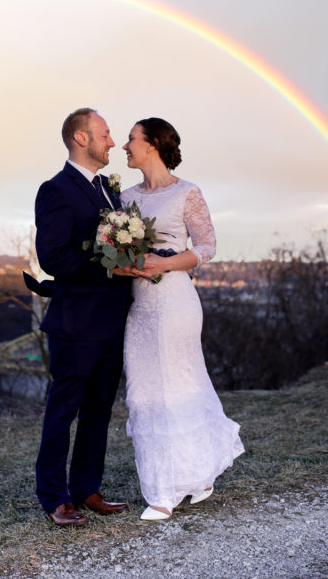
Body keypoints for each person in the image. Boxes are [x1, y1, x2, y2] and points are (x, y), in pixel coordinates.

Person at [119, 117, 244, 521]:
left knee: (180, 386)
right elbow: (117, 252)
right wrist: (124, 264)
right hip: (139, 307)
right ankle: (191, 478)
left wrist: (167, 262)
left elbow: (207, 245)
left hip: (175, 302)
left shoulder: (187, 193)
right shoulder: (123, 199)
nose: (125, 146)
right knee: (143, 392)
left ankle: (164, 493)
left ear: (152, 144)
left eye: (132, 139)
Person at [32, 108, 134, 527]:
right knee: (63, 412)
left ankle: (87, 489)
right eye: (106, 134)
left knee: (100, 411)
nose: (112, 142)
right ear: (81, 138)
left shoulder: (110, 191)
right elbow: (52, 256)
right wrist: (108, 265)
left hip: (112, 321)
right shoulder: (55, 189)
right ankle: (55, 497)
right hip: (76, 324)